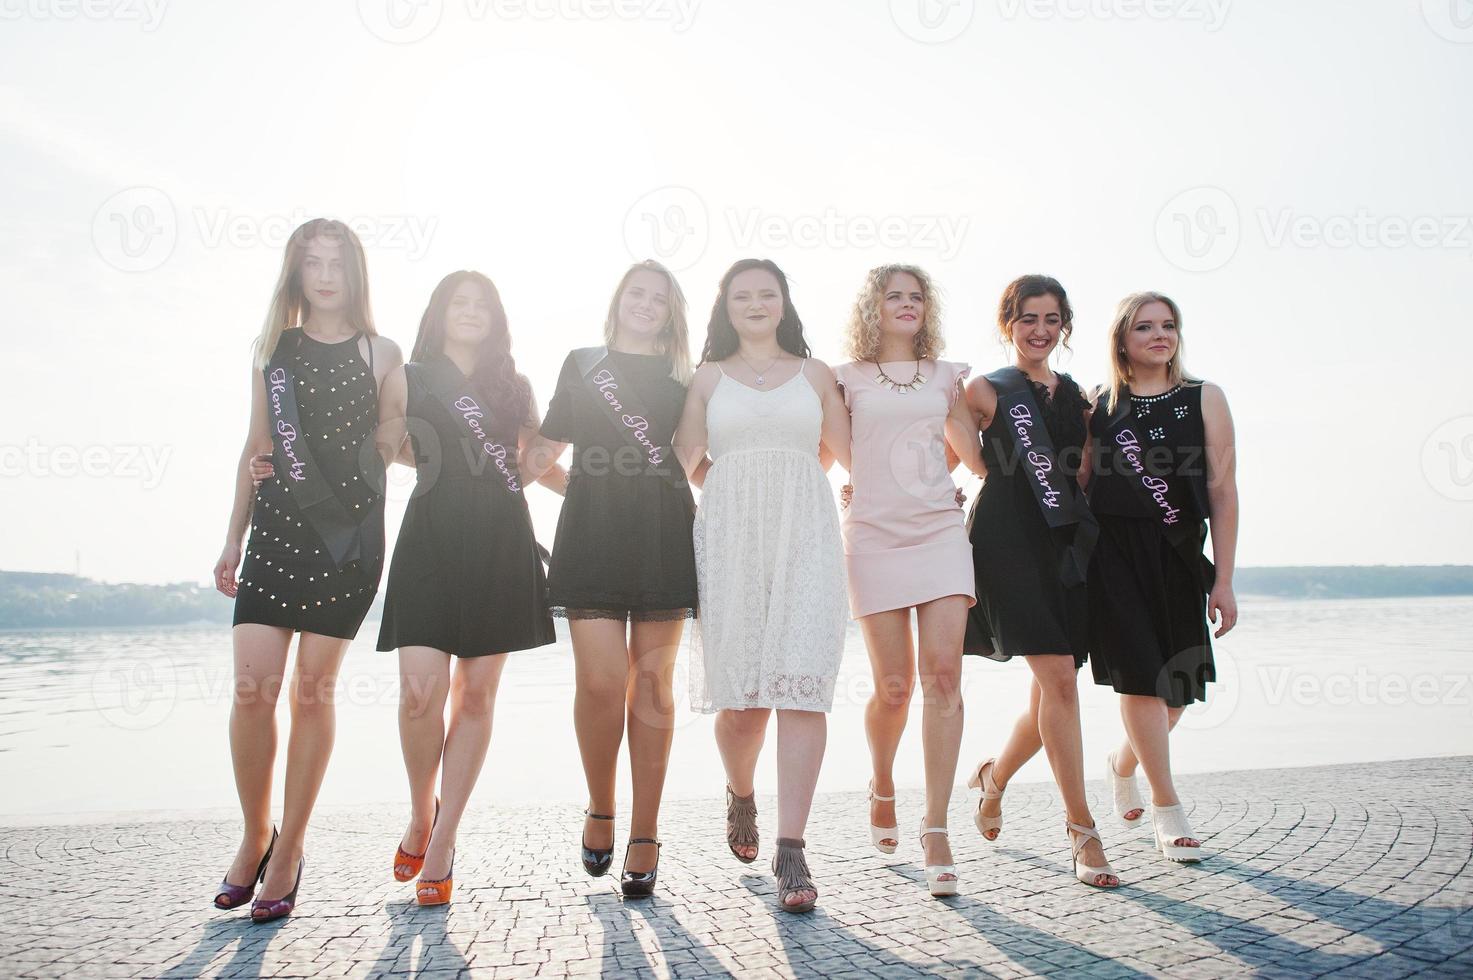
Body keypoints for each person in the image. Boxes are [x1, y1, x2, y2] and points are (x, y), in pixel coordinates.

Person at [213, 218, 401, 922]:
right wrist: (232, 537)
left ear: (354, 272)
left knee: (311, 694)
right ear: (295, 273)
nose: (324, 275)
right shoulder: (275, 350)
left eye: (336, 263)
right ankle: (254, 833)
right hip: (277, 531)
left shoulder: (381, 351)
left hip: (346, 534)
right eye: (311, 263)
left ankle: (289, 850)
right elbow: (255, 445)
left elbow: (390, 439)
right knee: (251, 689)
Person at [674, 258, 851, 914]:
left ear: (783, 304)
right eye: (740, 295)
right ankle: (740, 793)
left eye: (765, 294)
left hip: (806, 539)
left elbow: (854, 451)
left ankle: (791, 848)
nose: (753, 303)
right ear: (725, 307)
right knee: (743, 708)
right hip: (729, 544)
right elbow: (681, 461)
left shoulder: (814, 374)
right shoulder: (705, 379)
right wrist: (731, 491)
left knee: (802, 691)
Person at [518, 260, 698, 897]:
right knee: (600, 683)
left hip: (663, 538)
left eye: (658, 298)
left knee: (651, 686)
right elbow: (541, 451)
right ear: (619, 300)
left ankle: (645, 831)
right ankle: (601, 805)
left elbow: (697, 457)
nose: (645, 304)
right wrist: (571, 490)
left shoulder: (687, 376)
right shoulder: (583, 363)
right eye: (636, 293)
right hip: (591, 539)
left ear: (671, 312)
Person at [960, 274, 1118, 888]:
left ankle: (992, 780)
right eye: (1028, 318)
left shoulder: (1082, 398)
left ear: (1065, 327)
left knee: (1050, 691)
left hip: (1064, 548)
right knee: (1057, 680)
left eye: (1052, 320)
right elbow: (942, 457)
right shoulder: (984, 390)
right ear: (1009, 323)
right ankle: (1081, 828)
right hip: (1006, 545)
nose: (1040, 330)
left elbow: (1082, 479)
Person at [834, 264, 976, 898]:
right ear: (874, 308)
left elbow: (971, 455)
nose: (907, 305)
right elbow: (823, 453)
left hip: (941, 532)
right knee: (894, 688)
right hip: (872, 537)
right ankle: (882, 782)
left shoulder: (947, 377)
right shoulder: (844, 379)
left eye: (917, 296)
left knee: (943, 676)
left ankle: (937, 827)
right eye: (894, 296)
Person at [1086, 291, 1238, 864]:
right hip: (1114, 553)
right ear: (1122, 339)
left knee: (1178, 690)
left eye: (1168, 325)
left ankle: (1124, 762)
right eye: (1145, 327)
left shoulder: (1206, 398)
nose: (1160, 335)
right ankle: (1167, 810)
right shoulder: (1099, 404)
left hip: (1178, 552)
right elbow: (1075, 482)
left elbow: (1223, 493)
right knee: (1140, 681)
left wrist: (1223, 580)